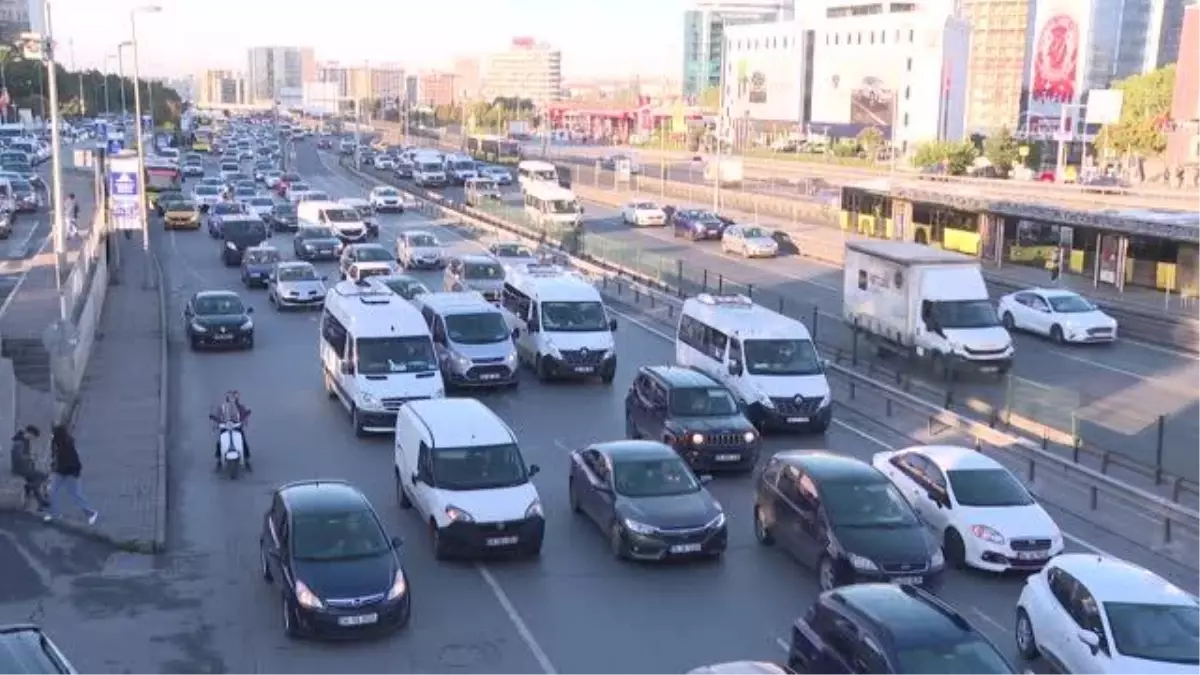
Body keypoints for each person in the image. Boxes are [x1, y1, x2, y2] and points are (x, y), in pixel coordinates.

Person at [45, 424, 98, 524]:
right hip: (60, 471)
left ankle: (91, 512)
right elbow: (55, 457)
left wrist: (57, 468)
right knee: (52, 491)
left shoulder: (66, 445)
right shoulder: (57, 443)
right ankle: (53, 513)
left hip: (70, 472)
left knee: (75, 494)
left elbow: (70, 461)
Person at [9, 425, 48, 510]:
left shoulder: (25, 440)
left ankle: (41, 501)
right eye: (33, 437)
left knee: (35, 480)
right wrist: (30, 457)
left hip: (25, 467)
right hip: (20, 469)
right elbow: (17, 457)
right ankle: (29, 487)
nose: (33, 439)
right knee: (42, 476)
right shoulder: (19, 443)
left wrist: (31, 460)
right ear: (30, 433)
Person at [210, 391, 251, 470]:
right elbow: (217, 416)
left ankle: (246, 460)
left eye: (233, 397)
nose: (232, 399)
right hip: (225, 427)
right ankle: (219, 459)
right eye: (230, 397)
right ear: (227, 398)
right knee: (220, 442)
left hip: (236, 427)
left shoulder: (240, 407)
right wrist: (216, 425)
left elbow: (244, 415)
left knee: (242, 441)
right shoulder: (222, 407)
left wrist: (244, 422)